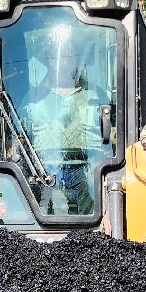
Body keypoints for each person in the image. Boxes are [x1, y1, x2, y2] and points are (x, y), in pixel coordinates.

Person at [22, 35, 99, 216]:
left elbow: (111, 143)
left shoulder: (95, 97)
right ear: (49, 62)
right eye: (57, 57)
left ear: (78, 61)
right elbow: (18, 142)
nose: (63, 62)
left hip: (89, 176)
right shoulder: (33, 99)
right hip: (43, 177)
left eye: (69, 56)